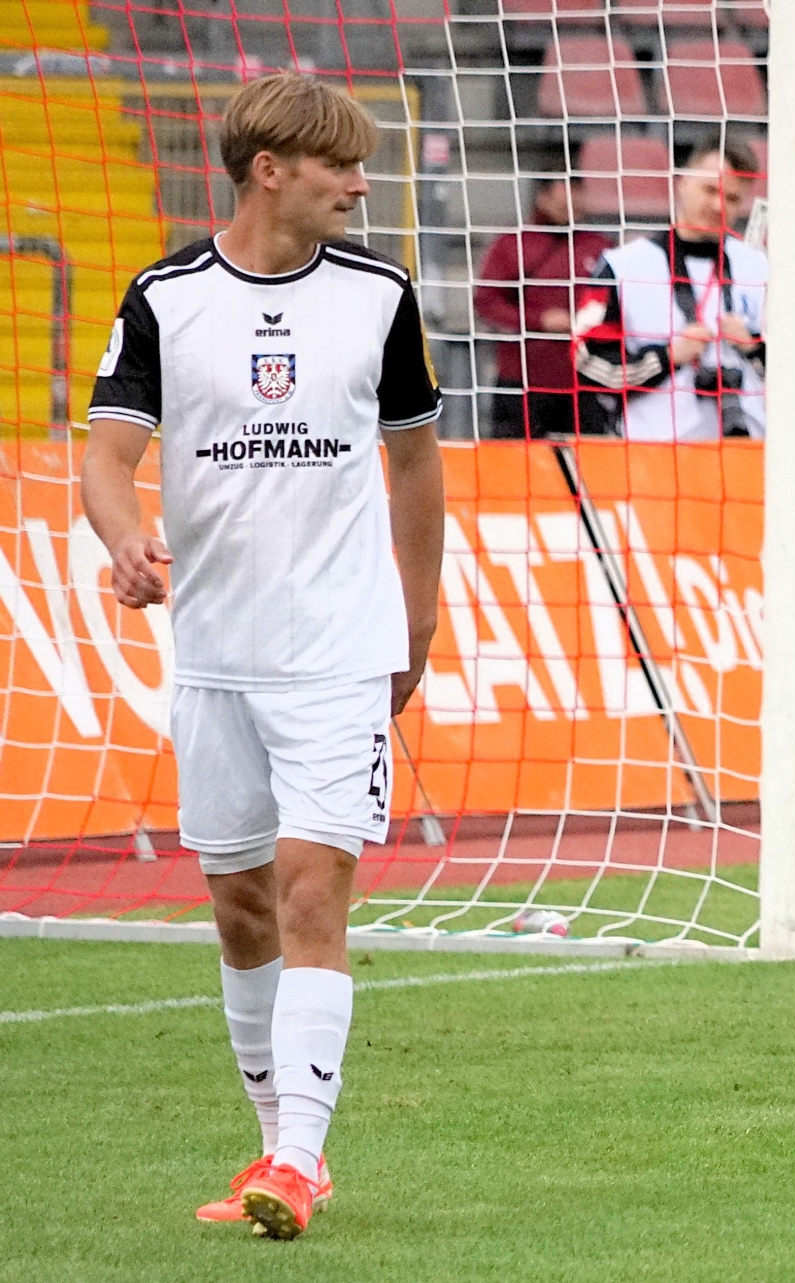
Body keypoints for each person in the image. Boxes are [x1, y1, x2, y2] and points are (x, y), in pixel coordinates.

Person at [81, 73, 445, 1236]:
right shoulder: (165, 297)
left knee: (308, 889)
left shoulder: (381, 295)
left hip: (339, 647)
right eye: (340, 164)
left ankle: (295, 1160)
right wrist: (124, 537)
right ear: (269, 170)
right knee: (240, 904)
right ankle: (277, 1138)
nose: (361, 183)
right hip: (215, 653)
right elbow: (106, 457)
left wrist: (418, 621)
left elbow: (415, 462)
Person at [572, 136, 766, 442]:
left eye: (732, 198)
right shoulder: (622, 266)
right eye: (710, 190)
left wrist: (754, 347)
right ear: (682, 183)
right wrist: (668, 357)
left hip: (748, 450)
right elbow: (587, 362)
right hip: (653, 450)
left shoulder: (761, 267)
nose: (718, 206)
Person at [472, 171, 612, 439]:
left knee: (586, 458)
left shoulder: (599, 246)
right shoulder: (513, 245)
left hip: (584, 380)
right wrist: (539, 320)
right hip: (522, 380)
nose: (571, 208)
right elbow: (487, 303)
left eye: (577, 200)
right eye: (564, 203)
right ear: (543, 198)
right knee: (516, 459)